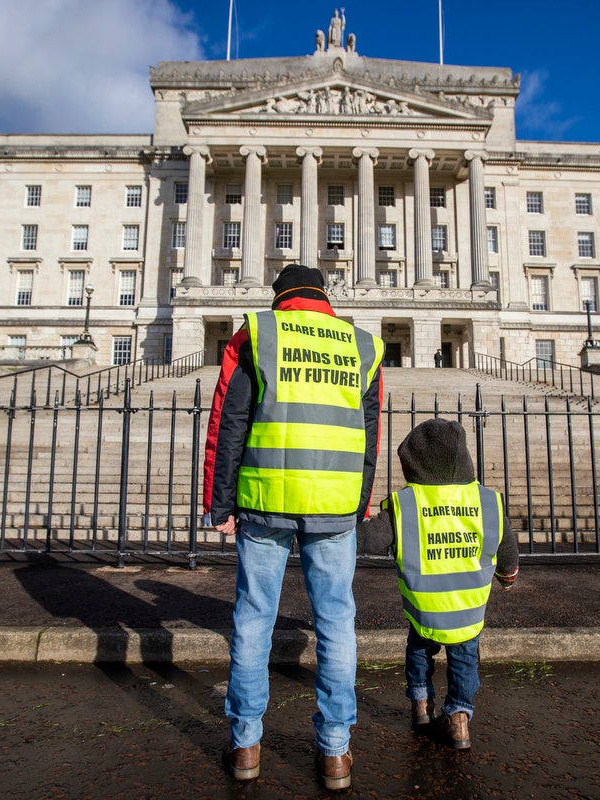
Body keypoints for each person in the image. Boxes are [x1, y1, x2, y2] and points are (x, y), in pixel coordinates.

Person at [203, 263, 385, 790]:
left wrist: (221, 503)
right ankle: (334, 752)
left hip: (265, 500)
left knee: (254, 620)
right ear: (325, 296)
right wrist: (358, 502)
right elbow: (369, 435)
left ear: (280, 296)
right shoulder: (362, 345)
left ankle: (245, 745)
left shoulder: (258, 332)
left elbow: (229, 419)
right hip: (334, 503)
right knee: (335, 624)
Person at [358, 418, 518, 750]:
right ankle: (459, 719)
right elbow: (507, 546)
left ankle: (420, 705)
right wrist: (507, 575)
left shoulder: (406, 504)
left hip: (424, 610)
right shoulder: (487, 501)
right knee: (464, 660)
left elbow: (370, 539)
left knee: (419, 651)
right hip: (467, 614)